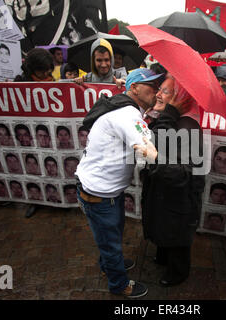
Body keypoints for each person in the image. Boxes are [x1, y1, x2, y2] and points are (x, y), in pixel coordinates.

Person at [75, 68, 164, 298]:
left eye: (158, 87)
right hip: (100, 194)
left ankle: (110, 262)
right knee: (110, 241)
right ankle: (119, 284)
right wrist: (172, 163)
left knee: (111, 234)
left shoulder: (124, 109)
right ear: (133, 88)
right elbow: (147, 150)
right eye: (151, 86)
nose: (156, 91)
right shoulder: (127, 114)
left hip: (102, 190)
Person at [138, 74, 205, 288]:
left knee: (177, 236)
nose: (157, 94)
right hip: (165, 195)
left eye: (166, 91)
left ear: (182, 98)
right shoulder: (172, 118)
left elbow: (179, 173)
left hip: (180, 199)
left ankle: (178, 273)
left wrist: (155, 158)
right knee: (165, 228)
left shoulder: (187, 127)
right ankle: (163, 257)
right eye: (159, 89)